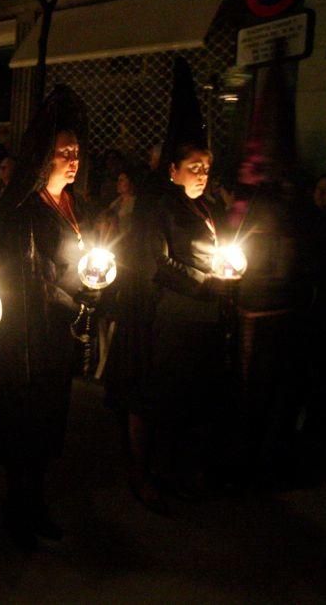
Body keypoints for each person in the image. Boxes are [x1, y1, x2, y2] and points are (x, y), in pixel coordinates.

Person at [0, 85, 99, 549]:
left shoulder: (76, 205)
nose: (72, 159)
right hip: (30, 337)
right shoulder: (22, 210)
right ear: (42, 157)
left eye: (76, 151)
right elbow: (21, 277)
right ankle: (18, 509)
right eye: (62, 152)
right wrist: (69, 297)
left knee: (52, 423)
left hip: (62, 332)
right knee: (26, 425)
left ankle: (36, 502)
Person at [140, 142, 236, 501]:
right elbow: (158, 261)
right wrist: (203, 282)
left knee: (202, 389)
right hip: (180, 309)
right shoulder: (163, 209)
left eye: (207, 168)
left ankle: (192, 466)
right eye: (194, 166)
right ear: (173, 170)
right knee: (173, 389)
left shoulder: (209, 208)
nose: (202, 174)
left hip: (211, 309)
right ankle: (160, 470)